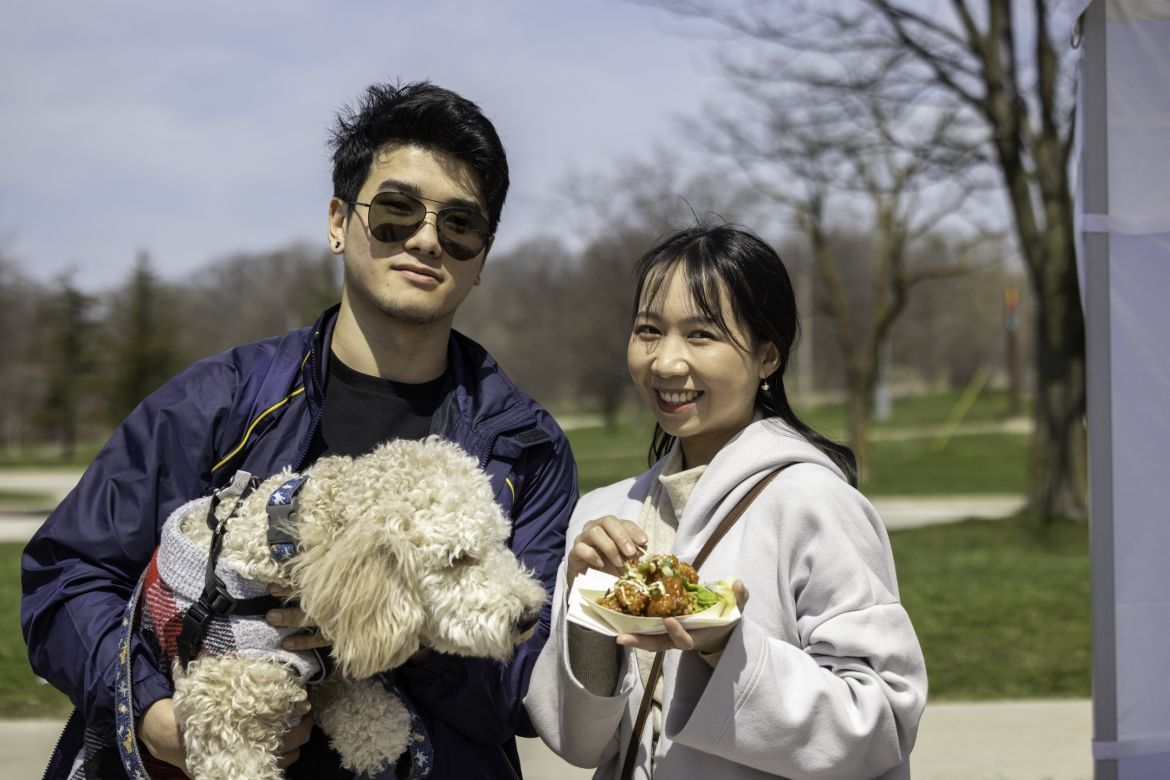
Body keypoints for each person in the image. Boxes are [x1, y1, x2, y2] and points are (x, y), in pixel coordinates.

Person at [22, 81, 578, 779]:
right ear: (339, 221)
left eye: (460, 225)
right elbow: (67, 577)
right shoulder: (215, 403)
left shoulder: (526, 448)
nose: (427, 239)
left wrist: (396, 630)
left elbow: (524, 685)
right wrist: (160, 717)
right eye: (397, 210)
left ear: (482, 258)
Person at [524, 223, 927, 779]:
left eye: (700, 335)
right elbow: (583, 745)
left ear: (767, 357)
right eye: (648, 330)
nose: (665, 362)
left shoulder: (812, 503)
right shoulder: (602, 515)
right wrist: (586, 603)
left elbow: (883, 721)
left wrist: (725, 649)